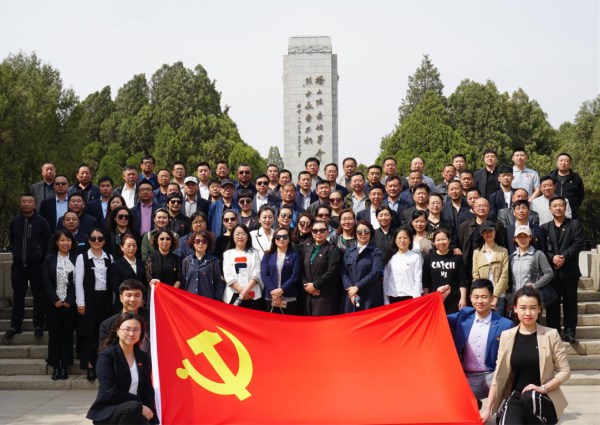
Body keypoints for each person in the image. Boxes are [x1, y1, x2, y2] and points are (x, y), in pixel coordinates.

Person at [481, 286, 570, 425]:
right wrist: (487, 409)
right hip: (516, 396)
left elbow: (565, 371)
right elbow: (498, 376)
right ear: (515, 308)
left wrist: (543, 388)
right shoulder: (506, 336)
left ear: (539, 309)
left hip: (542, 396)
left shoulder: (551, 335)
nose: (528, 313)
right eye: (523, 308)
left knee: (530, 397)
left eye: (533, 308)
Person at [437, 279, 514, 410]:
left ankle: (503, 409)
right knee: (452, 401)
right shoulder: (464, 316)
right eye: (476, 297)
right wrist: (441, 298)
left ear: (492, 299)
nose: (479, 301)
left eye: (484, 297)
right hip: (468, 377)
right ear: (470, 298)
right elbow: (439, 319)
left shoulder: (505, 324)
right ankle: (473, 402)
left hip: (493, 375)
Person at [87, 312, 158, 425]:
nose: (131, 333)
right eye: (127, 329)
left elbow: (147, 388)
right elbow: (109, 391)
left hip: (135, 410)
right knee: (133, 408)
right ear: (117, 330)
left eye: (136, 330)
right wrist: (139, 404)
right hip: (110, 410)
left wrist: (150, 411)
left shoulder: (143, 357)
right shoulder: (107, 356)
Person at [5, 193, 51, 338]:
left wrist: (41, 256)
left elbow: (47, 241)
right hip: (18, 265)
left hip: (36, 264)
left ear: (34, 204)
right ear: (20, 203)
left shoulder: (41, 221)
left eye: (29, 201)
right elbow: (12, 239)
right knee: (18, 296)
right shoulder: (15, 221)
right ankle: (15, 325)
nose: (26, 204)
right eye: (24, 201)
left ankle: (38, 325)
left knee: (39, 295)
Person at [541, 196, 585, 343]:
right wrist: (552, 258)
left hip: (569, 271)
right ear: (550, 209)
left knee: (570, 303)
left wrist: (564, 256)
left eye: (561, 205)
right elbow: (542, 249)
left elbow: (578, 244)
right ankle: (554, 333)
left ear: (565, 208)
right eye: (555, 206)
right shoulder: (544, 228)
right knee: (552, 304)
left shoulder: (574, 224)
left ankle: (570, 332)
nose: (558, 208)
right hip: (552, 272)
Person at [75, 228, 113, 380]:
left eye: (100, 238)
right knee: (88, 333)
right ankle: (90, 365)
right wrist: (80, 303)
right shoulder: (82, 257)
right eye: (93, 238)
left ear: (104, 241)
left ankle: (102, 365)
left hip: (105, 299)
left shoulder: (109, 257)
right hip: (89, 299)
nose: (97, 241)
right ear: (89, 240)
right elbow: (78, 282)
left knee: (104, 334)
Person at [43, 229, 77, 380]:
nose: (65, 243)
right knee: (54, 335)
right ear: (57, 242)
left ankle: (64, 366)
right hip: (53, 304)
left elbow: (78, 282)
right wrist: (54, 299)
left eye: (68, 240)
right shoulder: (49, 259)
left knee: (67, 336)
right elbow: (46, 281)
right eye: (62, 240)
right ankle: (55, 366)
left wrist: (69, 300)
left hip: (69, 304)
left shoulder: (76, 258)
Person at [422, 228, 467, 314]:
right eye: (438, 240)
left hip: (454, 300)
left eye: (443, 239)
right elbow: (426, 281)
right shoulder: (429, 257)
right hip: (435, 299)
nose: (441, 242)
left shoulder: (456, 256)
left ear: (449, 240)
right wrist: (426, 297)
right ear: (434, 242)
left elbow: (462, 279)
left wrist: (463, 298)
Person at [341, 221, 383, 313]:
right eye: (359, 232)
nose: (363, 234)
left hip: (369, 296)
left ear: (371, 233)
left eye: (366, 231)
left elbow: (375, 273)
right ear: (355, 233)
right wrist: (351, 290)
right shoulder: (349, 251)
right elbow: (344, 273)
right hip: (351, 295)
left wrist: (357, 287)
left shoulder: (376, 252)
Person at [302, 221, 342, 316]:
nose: (318, 233)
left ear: (327, 232)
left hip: (324, 296)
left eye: (322, 230)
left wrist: (315, 285)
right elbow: (301, 269)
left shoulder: (332, 249)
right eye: (315, 231)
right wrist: (306, 286)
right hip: (308, 295)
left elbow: (332, 271)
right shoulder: (307, 248)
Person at [510, 226, 554, 310]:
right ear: (515, 239)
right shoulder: (512, 257)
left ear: (530, 238)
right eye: (519, 237)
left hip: (532, 298)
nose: (523, 239)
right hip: (516, 299)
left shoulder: (538, 254)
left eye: (525, 236)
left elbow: (549, 273)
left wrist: (535, 285)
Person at [98, 280, 149, 352]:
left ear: (142, 298)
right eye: (128, 295)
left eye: (137, 295)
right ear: (121, 298)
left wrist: (156, 288)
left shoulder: (152, 317)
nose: (132, 299)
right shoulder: (108, 324)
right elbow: (104, 352)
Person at [472, 221, 509, 316]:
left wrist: (495, 296)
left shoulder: (503, 251)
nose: (488, 234)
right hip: (482, 297)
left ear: (495, 232)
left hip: (499, 296)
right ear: (481, 234)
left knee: (497, 322)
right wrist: (482, 294)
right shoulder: (477, 252)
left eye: (490, 231)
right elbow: (475, 275)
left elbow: (504, 276)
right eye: (485, 232)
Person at [261, 227, 302, 314]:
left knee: (288, 322)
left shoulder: (295, 255)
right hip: (271, 296)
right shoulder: (267, 255)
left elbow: (295, 276)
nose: (281, 239)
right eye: (278, 237)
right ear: (274, 239)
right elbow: (264, 276)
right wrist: (275, 293)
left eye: (285, 236)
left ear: (289, 239)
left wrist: (281, 290)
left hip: (289, 296)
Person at [222, 224, 263, 310]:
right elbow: (228, 275)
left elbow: (257, 272)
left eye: (243, 234)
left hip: (252, 295)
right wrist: (242, 291)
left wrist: (246, 291)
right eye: (237, 234)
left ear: (248, 237)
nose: (240, 236)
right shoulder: (227, 254)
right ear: (233, 237)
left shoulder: (254, 253)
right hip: (233, 294)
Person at [383, 227, 423, 303]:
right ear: (395, 240)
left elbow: (418, 280)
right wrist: (386, 300)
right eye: (399, 238)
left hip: (410, 297)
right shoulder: (390, 258)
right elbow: (386, 280)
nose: (402, 241)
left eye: (405, 238)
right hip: (393, 296)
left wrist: (416, 300)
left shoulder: (415, 257)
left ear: (410, 240)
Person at [182, 230, 225, 301]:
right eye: (197, 241)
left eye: (204, 241)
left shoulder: (213, 261)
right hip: (189, 300)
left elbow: (218, 283)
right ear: (193, 243)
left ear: (208, 244)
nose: (200, 243)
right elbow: (183, 282)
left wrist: (217, 300)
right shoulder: (186, 261)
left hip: (207, 301)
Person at [110, 234, 145, 312]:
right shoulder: (116, 265)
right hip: (123, 304)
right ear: (122, 247)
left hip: (140, 303)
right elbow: (116, 287)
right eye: (128, 246)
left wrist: (141, 299)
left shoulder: (142, 264)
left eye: (134, 246)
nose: (131, 248)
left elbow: (145, 283)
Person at [549, 152, 584, 218]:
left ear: (570, 163)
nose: (563, 163)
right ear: (557, 162)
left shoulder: (576, 178)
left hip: (571, 213)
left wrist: (574, 206)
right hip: (553, 213)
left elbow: (580, 195)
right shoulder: (550, 177)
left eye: (566, 161)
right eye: (561, 160)